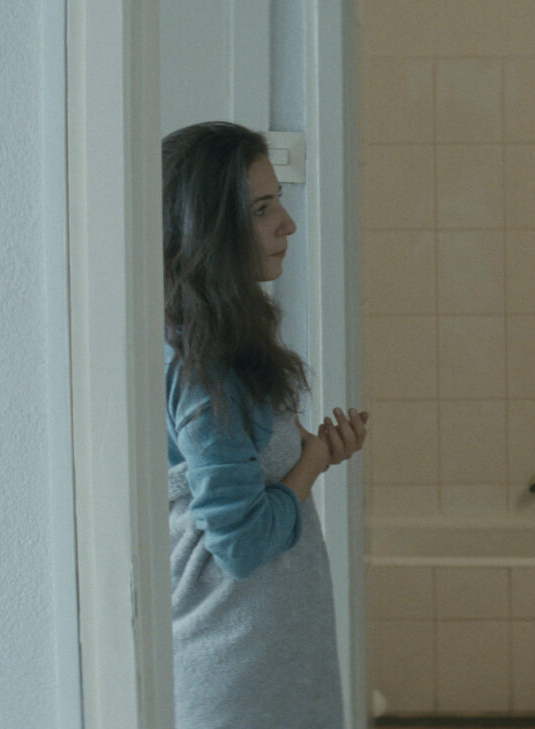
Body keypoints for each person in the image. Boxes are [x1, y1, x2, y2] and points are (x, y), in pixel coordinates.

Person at [162, 121, 368, 729]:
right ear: (207, 226)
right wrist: (313, 463)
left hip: (256, 655)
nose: (288, 224)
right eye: (261, 208)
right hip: (236, 666)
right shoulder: (205, 366)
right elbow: (241, 542)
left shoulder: (218, 343)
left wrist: (307, 448)